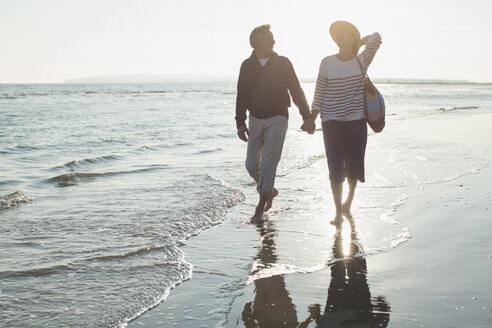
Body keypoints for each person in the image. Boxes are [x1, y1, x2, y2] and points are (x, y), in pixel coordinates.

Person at [235, 24, 316, 223]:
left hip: (278, 118)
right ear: (256, 42)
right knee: (251, 165)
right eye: (267, 36)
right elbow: (242, 95)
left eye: (272, 35)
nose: (272, 38)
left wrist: (307, 116)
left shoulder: (283, 63)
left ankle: (260, 208)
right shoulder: (247, 65)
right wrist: (240, 122)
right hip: (255, 119)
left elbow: (296, 90)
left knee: (269, 163)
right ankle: (269, 191)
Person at [310, 21, 382, 224]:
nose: (340, 37)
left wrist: (359, 43)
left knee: (354, 165)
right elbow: (319, 91)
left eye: (344, 34)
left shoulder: (362, 61)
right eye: (337, 35)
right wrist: (311, 118)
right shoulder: (327, 62)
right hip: (331, 120)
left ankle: (349, 199)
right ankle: (338, 212)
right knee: (335, 166)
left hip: (355, 121)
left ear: (353, 37)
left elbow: (376, 38)